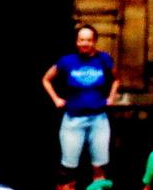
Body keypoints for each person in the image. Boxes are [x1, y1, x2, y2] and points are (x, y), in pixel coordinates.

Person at [45, 21, 116, 181]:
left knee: (99, 166)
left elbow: (116, 79)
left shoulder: (104, 59)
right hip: (73, 119)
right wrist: (56, 99)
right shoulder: (67, 61)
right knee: (69, 167)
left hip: (99, 118)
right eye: (81, 40)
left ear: (94, 41)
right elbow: (46, 79)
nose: (85, 43)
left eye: (89, 40)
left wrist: (111, 97)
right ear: (77, 42)